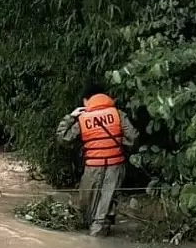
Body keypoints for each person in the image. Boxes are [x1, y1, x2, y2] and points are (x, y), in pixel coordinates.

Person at [56, 90, 139, 237]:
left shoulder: (82, 119)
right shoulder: (118, 114)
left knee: (87, 204)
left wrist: (70, 117)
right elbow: (133, 138)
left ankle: (95, 238)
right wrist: (120, 144)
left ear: (86, 101)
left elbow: (64, 138)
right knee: (107, 202)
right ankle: (101, 230)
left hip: (93, 167)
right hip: (115, 166)